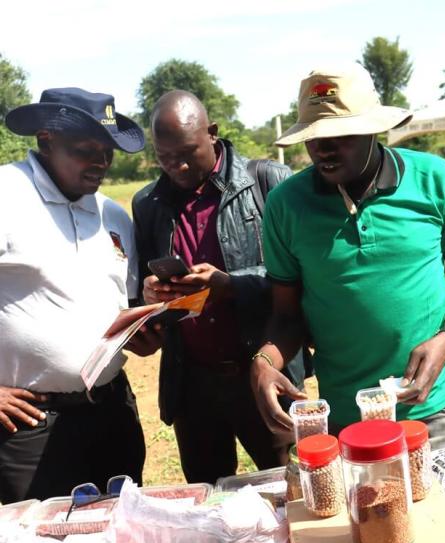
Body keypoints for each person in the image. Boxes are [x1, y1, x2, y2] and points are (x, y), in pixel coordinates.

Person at [250, 65, 445, 450]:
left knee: (436, 510)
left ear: (372, 129)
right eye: (313, 137)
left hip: (429, 410)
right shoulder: (286, 205)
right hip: (345, 417)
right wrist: (263, 362)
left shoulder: (434, 179)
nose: (323, 149)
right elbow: (286, 315)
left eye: (339, 135)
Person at [132, 90, 305, 484]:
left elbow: (300, 278)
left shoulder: (268, 181)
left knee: (290, 487)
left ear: (212, 132)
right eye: (164, 155)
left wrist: (229, 285)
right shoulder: (148, 204)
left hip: (262, 371)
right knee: (206, 500)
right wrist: (150, 295)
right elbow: (142, 284)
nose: (175, 165)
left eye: (187, 151)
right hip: (193, 383)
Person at [0, 88, 148, 503]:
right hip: (31, 426)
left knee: (121, 538)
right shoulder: (7, 195)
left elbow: (124, 304)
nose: (101, 162)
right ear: (46, 140)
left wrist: (140, 334)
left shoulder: (112, 215)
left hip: (112, 410)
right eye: (86, 150)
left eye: (108, 152)